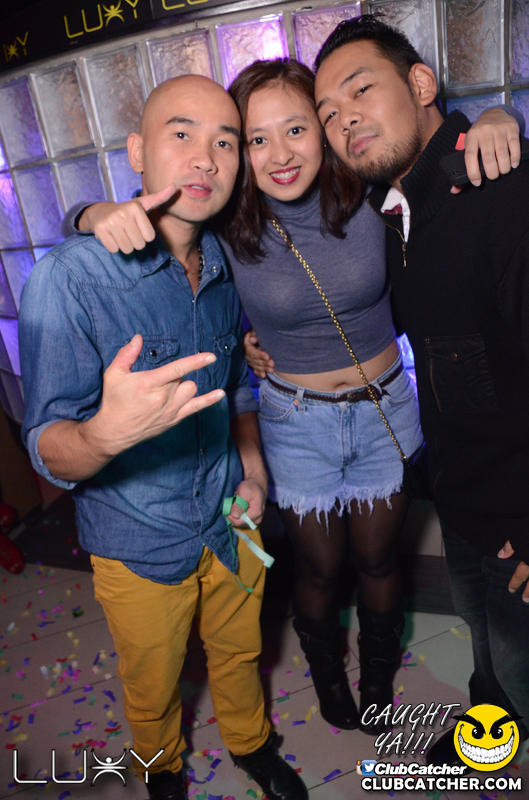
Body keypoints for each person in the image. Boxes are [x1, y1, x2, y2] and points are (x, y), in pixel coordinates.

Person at [63, 63, 521, 740]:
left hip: (384, 410)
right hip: (294, 420)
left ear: (323, 130)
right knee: (319, 567)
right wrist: (90, 213)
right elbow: (135, 219)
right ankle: (327, 675)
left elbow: (435, 166)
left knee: (378, 561)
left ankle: (375, 678)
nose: (279, 154)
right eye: (256, 139)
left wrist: (498, 120)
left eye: (297, 129)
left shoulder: (370, 195)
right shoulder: (227, 223)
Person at [19, 75, 308, 800]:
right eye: (182, 134)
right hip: (137, 540)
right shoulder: (70, 279)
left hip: (229, 520)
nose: (205, 158)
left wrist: (254, 475)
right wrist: (102, 436)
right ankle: (162, 768)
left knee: (240, 652)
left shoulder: (228, 267)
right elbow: (46, 445)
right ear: (137, 152)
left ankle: (251, 744)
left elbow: (236, 390)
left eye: (225, 142)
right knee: (151, 682)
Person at [313, 15, 529, 763]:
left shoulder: (503, 191)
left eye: (359, 90)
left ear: (421, 84)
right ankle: (488, 737)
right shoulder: (397, 215)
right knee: (489, 658)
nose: (344, 120)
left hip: (517, 518)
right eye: (327, 114)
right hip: (466, 502)